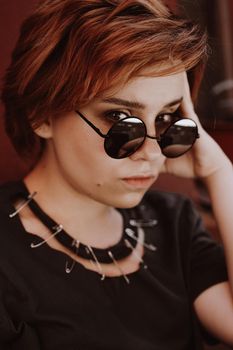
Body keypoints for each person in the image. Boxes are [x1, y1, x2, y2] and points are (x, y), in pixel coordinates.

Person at [0, 0, 233, 349]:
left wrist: (219, 171)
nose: (153, 151)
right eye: (120, 119)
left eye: (167, 119)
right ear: (42, 114)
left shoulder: (175, 223)